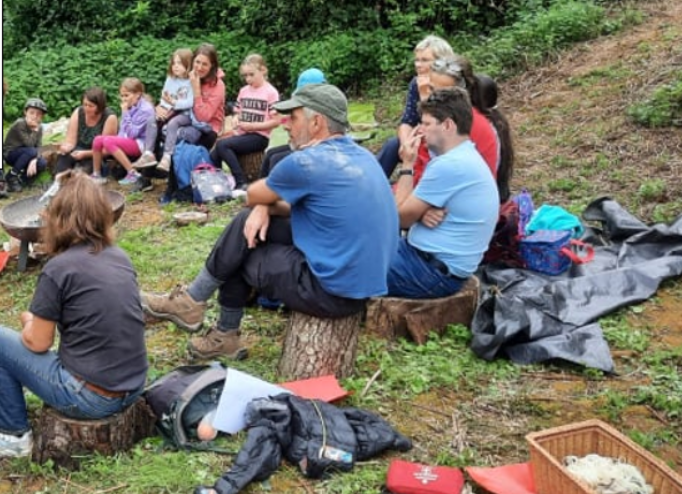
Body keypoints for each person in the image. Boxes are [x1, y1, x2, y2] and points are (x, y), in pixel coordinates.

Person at [141, 84, 398, 359]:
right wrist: (265, 207)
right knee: (246, 225)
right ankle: (195, 304)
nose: (285, 125)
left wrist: (261, 204)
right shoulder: (361, 156)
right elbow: (296, 205)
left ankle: (211, 321)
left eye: (293, 117)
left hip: (332, 291)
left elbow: (252, 193)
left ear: (316, 122)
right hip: (363, 284)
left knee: (240, 250)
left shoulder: (307, 162)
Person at [0, 170, 148, 458]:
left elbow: (38, 343)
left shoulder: (59, 269)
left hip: (92, 398)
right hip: (132, 386)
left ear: (58, 219)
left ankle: (14, 435)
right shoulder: (119, 256)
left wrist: (29, 321)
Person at [387, 87, 499, 299]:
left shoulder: (451, 165)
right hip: (424, 259)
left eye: (427, 124)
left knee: (342, 269)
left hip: (429, 273)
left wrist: (407, 163)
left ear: (447, 125)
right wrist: (420, 213)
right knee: (357, 248)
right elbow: (410, 209)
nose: (420, 130)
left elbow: (399, 218)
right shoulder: (464, 156)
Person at [137, 43, 226, 196]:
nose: (199, 67)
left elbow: (203, 116)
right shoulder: (188, 77)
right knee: (157, 123)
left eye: (205, 64)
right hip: (187, 119)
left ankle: (174, 185)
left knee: (177, 133)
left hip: (207, 127)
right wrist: (160, 108)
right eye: (197, 62)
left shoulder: (217, 85)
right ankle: (147, 176)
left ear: (212, 66)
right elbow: (173, 95)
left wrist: (196, 90)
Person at [410, 56, 501, 187]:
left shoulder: (466, 125)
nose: (432, 96)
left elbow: (445, 182)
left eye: (443, 93)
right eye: (430, 88)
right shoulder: (442, 117)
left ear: (460, 93)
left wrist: (408, 167)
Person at [376, 35, 455, 178]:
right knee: (393, 144)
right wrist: (406, 143)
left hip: (442, 141)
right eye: (417, 60)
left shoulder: (450, 85)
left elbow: (440, 123)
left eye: (424, 60)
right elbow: (407, 121)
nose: (418, 65)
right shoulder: (416, 82)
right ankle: (371, 184)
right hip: (421, 137)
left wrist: (425, 95)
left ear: (440, 62)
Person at [210, 54, 279, 190]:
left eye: (251, 75)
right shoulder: (244, 91)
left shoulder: (271, 92)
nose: (248, 79)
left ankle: (241, 182)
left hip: (259, 137)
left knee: (223, 145)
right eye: (245, 76)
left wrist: (253, 126)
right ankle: (218, 183)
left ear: (263, 70)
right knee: (214, 153)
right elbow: (237, 111)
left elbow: (276, 121)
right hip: (242, 134)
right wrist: (236, 118)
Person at [132, 48, 195, 172]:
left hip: (185, 114)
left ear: (188, 65)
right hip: (169, 110)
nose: (175, 66)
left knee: (173, 123)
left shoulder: (190, 82)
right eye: (174, 63)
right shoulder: (170, 79)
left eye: (180, 63)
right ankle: (148, 153)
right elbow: (164, 97)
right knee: (151, 120)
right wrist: (161, 108)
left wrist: (174, 104)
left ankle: (167, 156)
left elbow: (190, 102)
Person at [258, 68, 327, 179]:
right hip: (308, 142)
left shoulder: (325, 107)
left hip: (318, 148)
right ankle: (263, 189)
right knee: (271, 153)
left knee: (277, 159)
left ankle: (271, 193)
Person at [91, 77, 155, 186]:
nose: (123, 99)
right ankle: (96, 174)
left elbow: (133, 133)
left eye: (126, 95)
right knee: (98, 140)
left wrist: (125, 112)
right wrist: (117, 142)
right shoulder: (131, 105)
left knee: (108, 140)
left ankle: (132, 173)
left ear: (138, 94)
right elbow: (123, 130)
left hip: (140, 144)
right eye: (122, 95)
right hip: (128, 141)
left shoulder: (145, 109)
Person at [54, 87, 118, 175]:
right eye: (85, 104)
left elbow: (106, 150)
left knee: (85, 171)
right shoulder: (78, 112)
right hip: (77, 150)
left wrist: (85, 154)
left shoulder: (109, 118)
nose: (87, 108)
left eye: (91, 106)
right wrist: (66, 148)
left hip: (96, 155)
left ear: (99, 107)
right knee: (63, 160)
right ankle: (58, 183)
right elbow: (70, 141)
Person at [2, 98, 49, 193]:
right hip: (11, 153)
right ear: (25, 112)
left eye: (38, 114)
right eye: (32, 113)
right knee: (31, 151)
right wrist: (34, 130)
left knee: (42, 163)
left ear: (42, 116)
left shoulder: (39, 127)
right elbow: (30, 144)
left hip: (27, 153)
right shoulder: (20, 124)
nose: (35, 117)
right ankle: (11, 176)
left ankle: (23, 180)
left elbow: (39, 147)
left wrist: (34, 160)